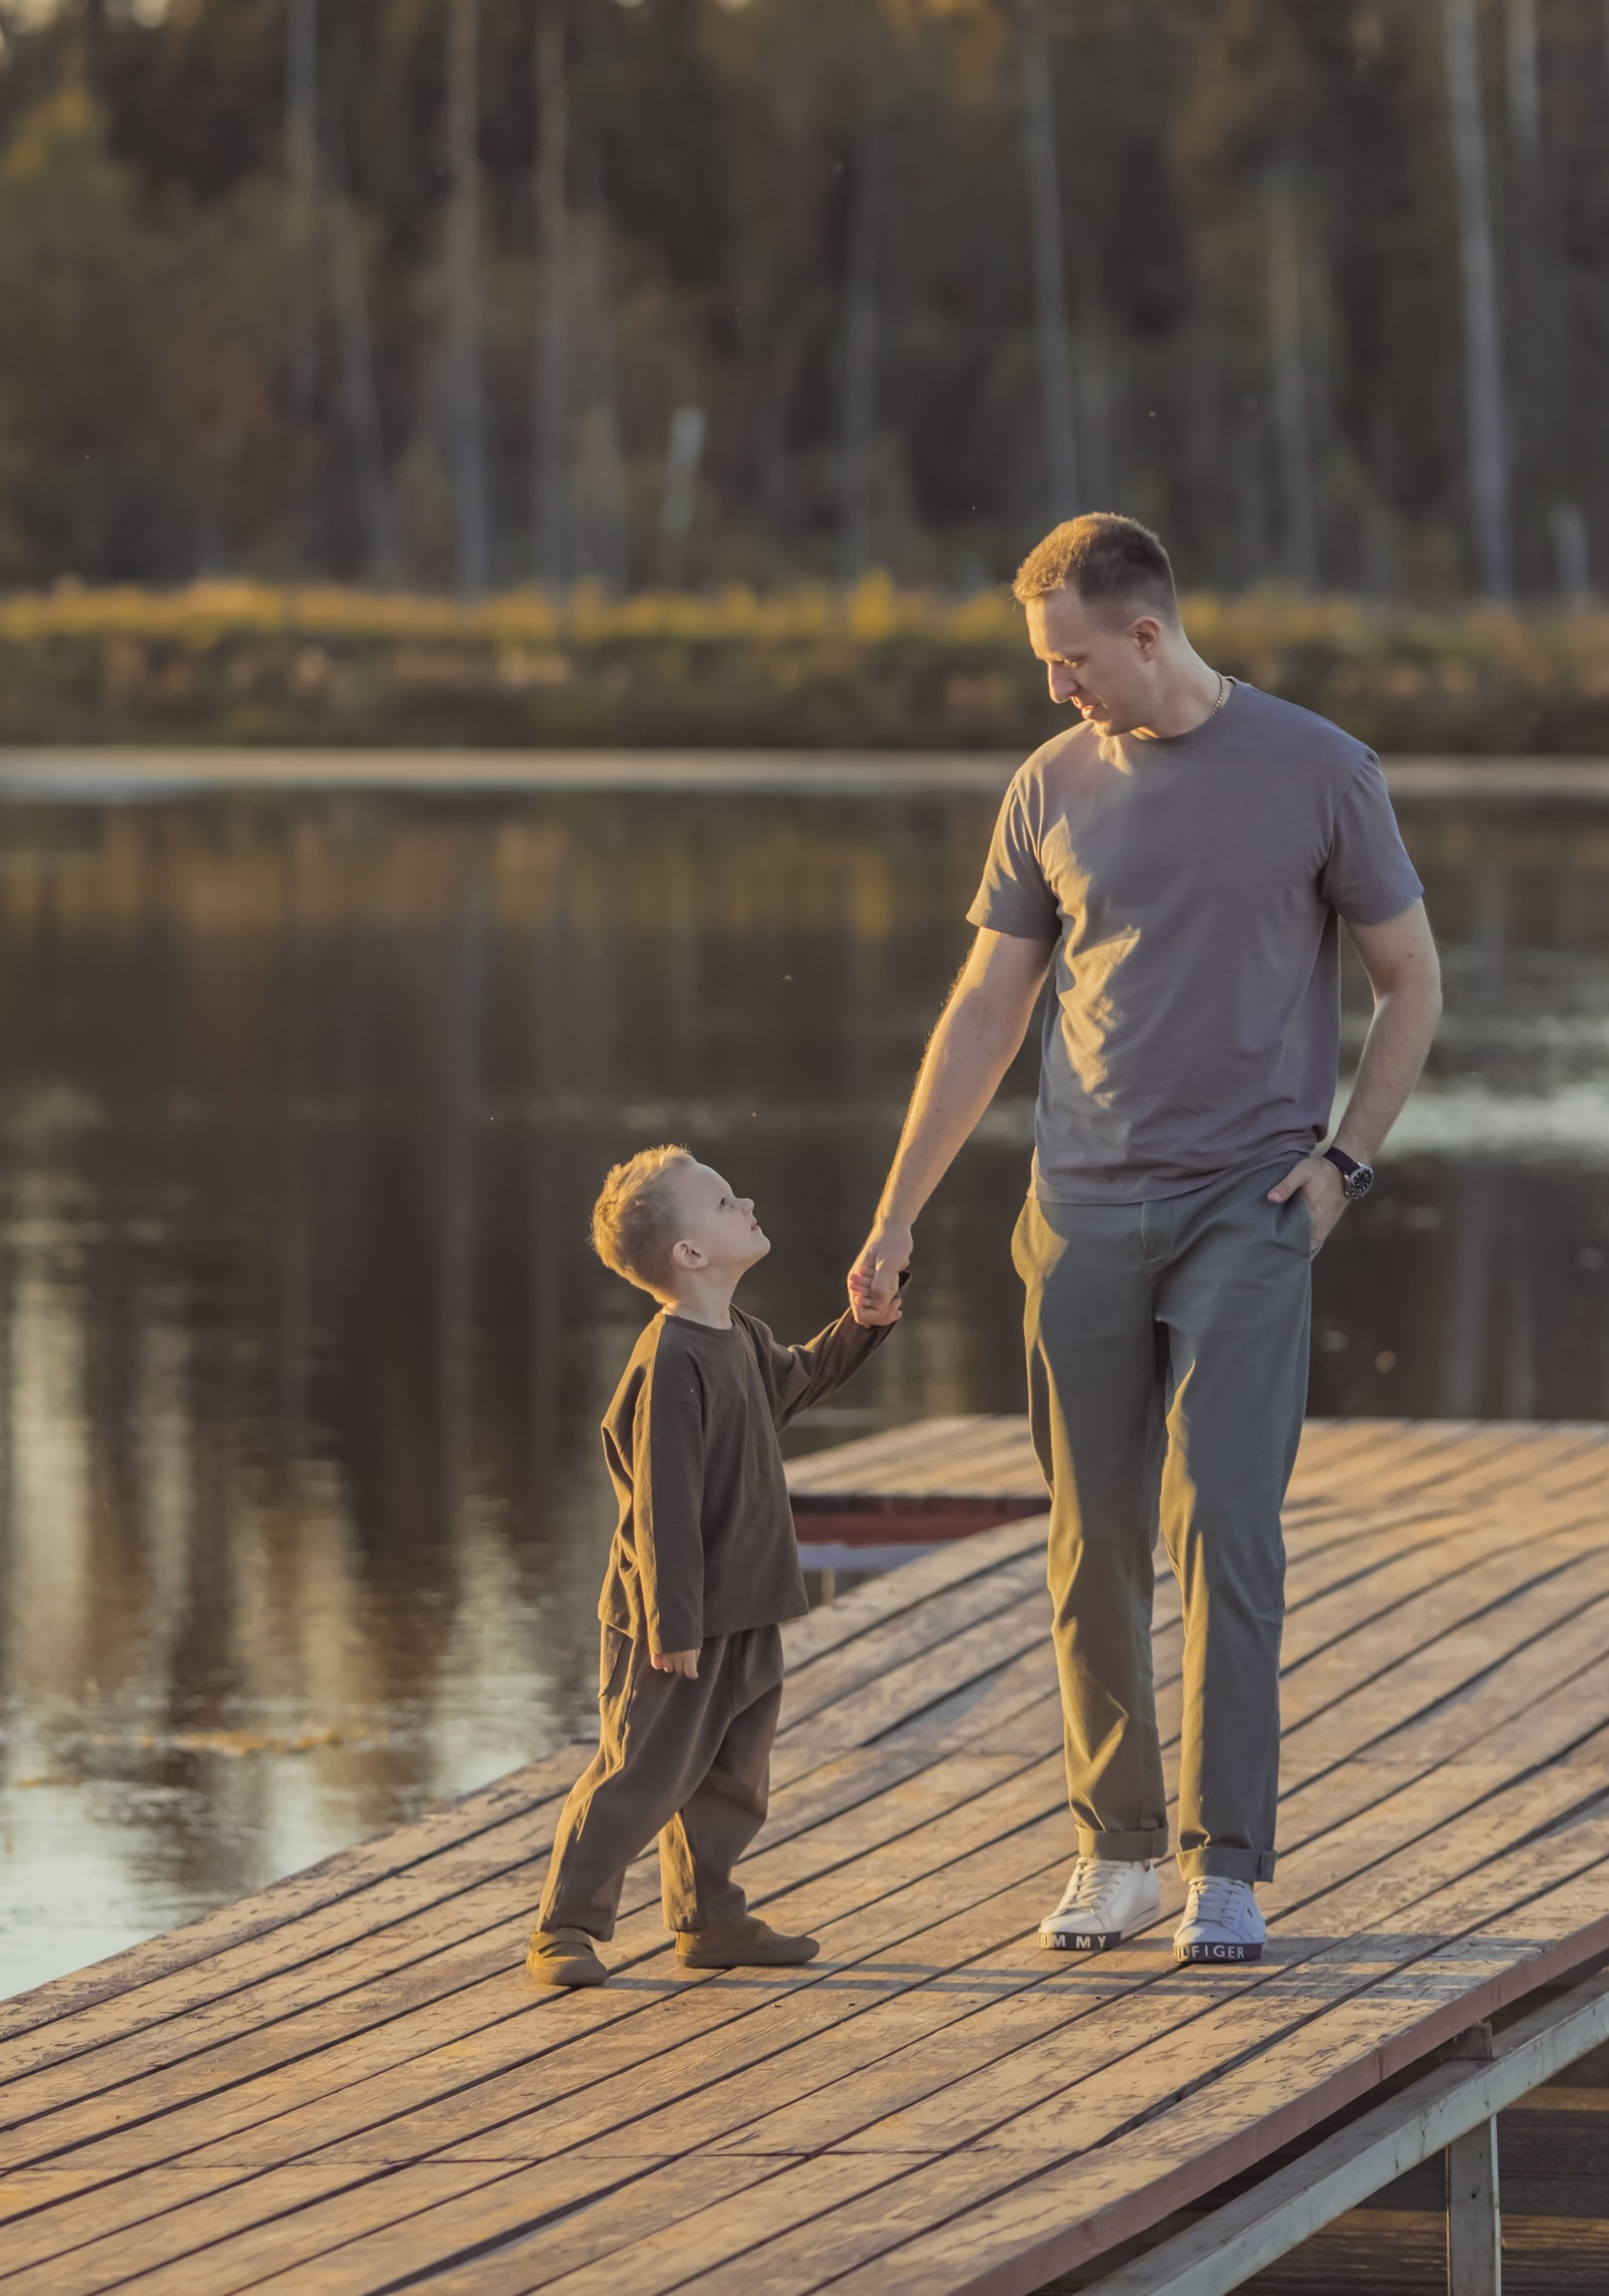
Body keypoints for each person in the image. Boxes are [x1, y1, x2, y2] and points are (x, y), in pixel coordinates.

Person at [846, 513, 1441, 1970]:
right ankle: (1113, 1851)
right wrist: (898, 1207)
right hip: (1081, 1212)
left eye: (1068, 661)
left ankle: (1225, 1864)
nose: (1055, 689)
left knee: (1224, 1527)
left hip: (1251, 1206)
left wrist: (1343, 1167)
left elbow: (1411, 982)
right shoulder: (1048, 785)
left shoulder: (1321, 770)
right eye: (1043, 665)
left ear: (1147, 635)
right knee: (1089, 1538)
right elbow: (987, 1012)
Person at [529, 1147, 900, 1989]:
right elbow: (662, 1508)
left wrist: (867, 1323)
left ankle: (710, 1918)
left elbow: (799, 1381)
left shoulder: (736, 1336)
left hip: (748, 1602)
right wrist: (674, 1625)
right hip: (675, 1620)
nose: (750, 1201)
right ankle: (566, 1927)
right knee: (641, 1772)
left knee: (733, 1775)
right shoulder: (671, 1363)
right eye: (727, 1201)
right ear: (689, 1256)